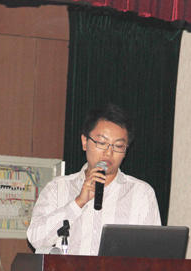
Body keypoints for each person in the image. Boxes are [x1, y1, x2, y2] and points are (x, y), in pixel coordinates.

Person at [27, 103, 161, 255]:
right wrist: (78, 203)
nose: (109, 153)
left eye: (118, 146)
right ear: (85, 142)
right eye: (102, 143)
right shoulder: (57, 188)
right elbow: (36, 240)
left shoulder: (141, 193)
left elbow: (153, 253)